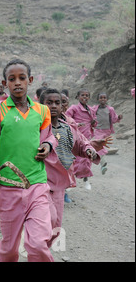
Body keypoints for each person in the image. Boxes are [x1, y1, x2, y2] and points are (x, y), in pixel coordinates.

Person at [0, 58, 56, 262]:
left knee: (38, 244)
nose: (17, 82)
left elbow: (50, 135)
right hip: (7, 186)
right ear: (5, 83)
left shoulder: (42, 111)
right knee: (9, 249)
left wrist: (48, 145)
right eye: (12, 79)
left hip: (37, 184)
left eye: (22, 78)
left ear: (30, 80)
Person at [39, 88, 101, 246]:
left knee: (56, 228)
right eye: (49, 102)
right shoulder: (35, 127)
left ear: (62, 106)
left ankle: (42, 251)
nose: (53, 106)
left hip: (60, 183)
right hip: (40, 182)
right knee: (48, 219)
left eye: (57, 103)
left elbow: (81, 143)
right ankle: (36, 250)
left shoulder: (68, 127)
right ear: (40, 105)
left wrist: (89, 150)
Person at [65, 88, 96, 190]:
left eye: (87, 95)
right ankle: (70, 181)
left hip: (87, 137)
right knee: (74, 160)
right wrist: (76, 124)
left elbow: (94, 123)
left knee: (87, 159)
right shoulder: (74, 108)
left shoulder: (91, 110)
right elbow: (66, 119)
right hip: (75, 137)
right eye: (82, 95)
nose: (85, 97)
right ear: (78, 97)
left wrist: (93, 123)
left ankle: (86, 180)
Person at [91, 92, 122, 174]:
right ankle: (103, 163)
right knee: (99, 145)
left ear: (107, 99)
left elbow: (114, 119)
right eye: (101, 98)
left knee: (102, 146)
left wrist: (118, 118)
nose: (103, 99)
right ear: (98, 99)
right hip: (98, 130)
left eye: (104, 98)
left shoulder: (110, 109)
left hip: (107, 131)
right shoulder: (95, 109)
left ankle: (101, 163)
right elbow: (91, 116)